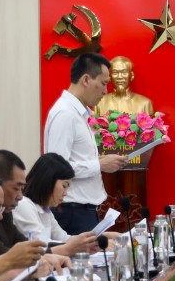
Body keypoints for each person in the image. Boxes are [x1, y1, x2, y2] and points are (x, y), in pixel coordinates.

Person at [45, 52, 127, 234]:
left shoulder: (79, 113)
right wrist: (99, 165)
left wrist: (100, 162)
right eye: (104, 83)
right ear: (86, 80)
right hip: (72, 211)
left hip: (82, 211)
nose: (106, 91)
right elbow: (57, 169)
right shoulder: (65, 114)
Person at [12, 152, 102, 257]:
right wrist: (75, 246)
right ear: (48, 181)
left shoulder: (45, 210)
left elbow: (64, 238)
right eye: (64, 185)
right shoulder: (24, 205)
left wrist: (93, 240)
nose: (65, 193)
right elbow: (41, 246)